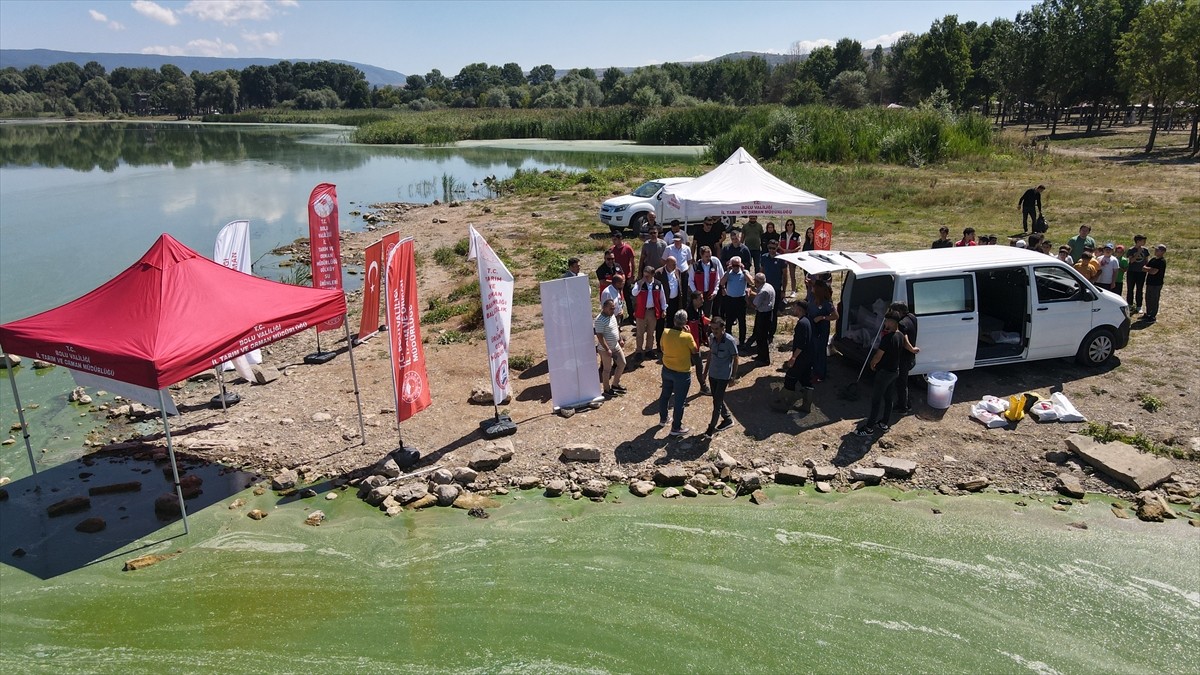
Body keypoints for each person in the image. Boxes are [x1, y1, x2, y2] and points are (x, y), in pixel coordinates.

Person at [854, 313, 919, 436]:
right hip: (895, 371)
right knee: (889, 398)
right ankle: (884, 423)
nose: (885, 323)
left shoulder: (887, 338)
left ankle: (869, 428)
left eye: (887, 321)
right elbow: (906, 345)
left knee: (876, 400)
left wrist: (872, 363)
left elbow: (878, 356)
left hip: (884, 373)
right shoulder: (900, 336)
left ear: (892, 322)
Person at [657, 309, 698, 437]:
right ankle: (676, 427)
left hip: (667, 369)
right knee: (679, 401)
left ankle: (663, 419)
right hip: (682, 373)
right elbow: (695, 350)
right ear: (686, 322)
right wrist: (689, 333)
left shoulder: (665, 332)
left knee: (665, 395)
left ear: (674, 320)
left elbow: (662, 348)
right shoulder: (687, 337)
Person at [773, 299, 814, 414]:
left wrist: (793, 358)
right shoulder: (808, 321)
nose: (793, 309)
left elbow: (801, 344)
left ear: (800, 309)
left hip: (801, 357)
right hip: (808, 357)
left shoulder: (801, 323)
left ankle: (784, 404)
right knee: (806, 381)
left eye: (795, 307)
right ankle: (806, 406)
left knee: (790, 378)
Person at [702, 316, 739, 438]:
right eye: (712, 329)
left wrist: (733, 376)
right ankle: (727, 419)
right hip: (713, 374)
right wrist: (705, 372)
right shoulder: (712, 338)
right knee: (716, 398)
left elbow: (735, 358)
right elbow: (710, 355)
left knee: (717, 403)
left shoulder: (730, 341)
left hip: (723, 376)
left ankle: (710, 429)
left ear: (723, 328)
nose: (714, 331)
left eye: (716, 329)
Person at [631, 265, 667, 361]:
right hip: (641, 311)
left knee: (651, 332)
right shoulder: (639, 283)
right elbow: (634, 293)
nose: (645, 277)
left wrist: (664, 309)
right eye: (644, 275)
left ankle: (649, 350)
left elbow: (662, 298)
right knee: (640, 333)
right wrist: (640, 283)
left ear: (652, 275)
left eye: (647, 276)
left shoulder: (658, 284)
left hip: (652, 311)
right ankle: (639, 351)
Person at [888, 301, 918, 413]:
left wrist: (911, 349)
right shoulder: (912, 317)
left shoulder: (901, 323)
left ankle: (903, 407)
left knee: (901, 383)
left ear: (899, 312)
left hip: (903, 357)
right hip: (910, 357)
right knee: (903, 381)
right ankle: (906, 403)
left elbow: (904, 340)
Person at [594, 298, 626, 398]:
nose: (613, 311)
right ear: (604, 308)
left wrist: (620, 339)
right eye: (611, 309)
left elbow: (616, 328)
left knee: (622, 363)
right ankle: (607, 389)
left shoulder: (612, 316)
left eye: (614, 308)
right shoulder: (599, 320)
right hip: (605, 350)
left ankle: (615, 385)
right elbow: (600, 336)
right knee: (607, 370)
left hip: (615, 346)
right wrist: (607, 349)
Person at [809, 280, 839, 382]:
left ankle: (820, 374)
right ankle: (813, 369)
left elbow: (835, 316)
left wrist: (822, 317)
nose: (812, 288)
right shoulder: (812, 297)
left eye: (814, 286)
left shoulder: (826, 303)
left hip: (821, 328)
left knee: (820, 351)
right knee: (812, 349)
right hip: (812, 326)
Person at [719, 256, 753, 345]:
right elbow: (721, 282)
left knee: (742, 321)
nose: (735, 267)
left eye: (737, 265)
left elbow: (751, 282)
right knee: (729, 321)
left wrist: (744, 271)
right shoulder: (729, 273)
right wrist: (727, 271)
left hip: (741, 300)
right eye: (733, 265)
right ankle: (728, 339)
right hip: (730, 299)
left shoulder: (744, 273)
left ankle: (742, 341)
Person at [758, 239, 787, 341]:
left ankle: (771, 333)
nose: (771, 250)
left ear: (777, 247)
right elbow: (761, 272)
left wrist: (784, 290)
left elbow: (785, 275)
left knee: (773, 311)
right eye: (769, 248)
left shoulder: (781, 259)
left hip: (776, 289)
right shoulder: (764, 257)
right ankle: (762, 330)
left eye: (773, 248)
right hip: (765, 288)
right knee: (763, 309)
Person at [656, 255, 686, 349]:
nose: (675, 266)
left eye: (675, 264)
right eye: (673, 264)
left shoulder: (677, 271)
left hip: (675, 301)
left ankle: (670, 343)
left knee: (672, 323)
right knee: (661, 324)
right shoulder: (659, 273)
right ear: (667, 263)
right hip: (663, 302)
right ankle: (659, 345)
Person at [747, 272, 776, 363]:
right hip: (768, 313)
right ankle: (761, 355)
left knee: (761, 337)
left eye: (755, 280)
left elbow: (755, 305)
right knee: (762, 336)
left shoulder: (763, 291)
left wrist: (748, 298)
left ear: (758, 281)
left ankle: (764, 358)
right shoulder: (768, 286)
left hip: (763, 315)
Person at [685, 291, 711, 388]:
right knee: (698, 365)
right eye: (700, 299)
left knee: (696, 365)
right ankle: (703, 386)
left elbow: (703, 319)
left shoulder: (699, 309)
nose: (703, 301)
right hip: (691, 345)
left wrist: (712, 322)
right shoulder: (687, 312)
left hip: (697, 343)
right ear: (694, 300)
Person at [689, 246, 724, 316]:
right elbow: (691, 281)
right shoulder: (695, 266)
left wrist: (715, 291)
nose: (709, 258)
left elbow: (717, 280)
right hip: (697, 295)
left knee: (707, 314)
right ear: (701, 255)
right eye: (706, 256)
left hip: (709, 294)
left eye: (710, 256)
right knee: (696, 314)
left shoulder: (714, 265)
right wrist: (696, 293)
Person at [609, 232, 636, 317]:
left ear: (620, 239)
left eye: (615, 239)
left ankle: (631, 316)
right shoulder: (612, 249)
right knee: (616, 297)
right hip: (616, 278)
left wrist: (632, 276)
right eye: (612, 239)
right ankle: (618, 315)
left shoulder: (627, 248)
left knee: (628, 298)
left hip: (626, 277)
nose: (613, 241)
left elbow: (632, 263)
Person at [1141, 244, 1167, 323]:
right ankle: (1148, 313)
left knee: (1154, 299)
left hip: (1156, 284)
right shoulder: (1153, 260)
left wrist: (1148, 269)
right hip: (1149, 282)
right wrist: (1149, 269)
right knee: (1148, 298)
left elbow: (1153, 272)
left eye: (1157, 250)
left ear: (1162, 252)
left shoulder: (1162, 261)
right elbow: (1143, 268)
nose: (1155, 251)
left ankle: (1152, 316)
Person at [1125, 234, 1150, 313]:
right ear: (1138, 241)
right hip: (1132, 272)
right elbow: (1131, 261)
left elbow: (1146, 261)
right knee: (1130, 289)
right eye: (1143, 241)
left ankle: (1139, 306)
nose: (1144, 242)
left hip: (1141, 272)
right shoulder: (1131, 250)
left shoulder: (1145, 250)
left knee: (1139, 289)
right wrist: (1138, 253)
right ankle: (1130, 304)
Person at [778, 219, 801, 296]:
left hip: (792, 256)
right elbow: (779, 245)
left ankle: (793, 290)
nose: (789, 226)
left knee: (792, 274)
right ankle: (782, 289)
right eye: (788, 225)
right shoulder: (782, 234)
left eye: (791, 224)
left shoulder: (797, 235)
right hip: (783, 255)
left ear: (793, 225)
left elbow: (799, 246)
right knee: (782, 274)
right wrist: (783, 250)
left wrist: (792, 251)